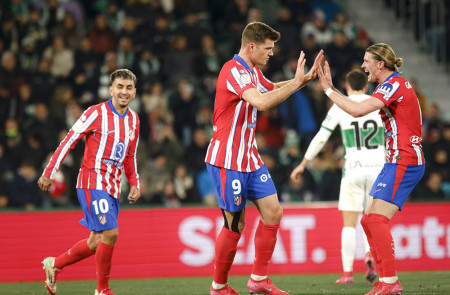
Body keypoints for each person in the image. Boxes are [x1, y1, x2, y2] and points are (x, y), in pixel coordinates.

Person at [204, 21, 323, 295]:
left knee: (273, 212)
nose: (272, 53)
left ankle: (258, 279)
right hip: (227, 159)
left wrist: (300, 82)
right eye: (268, 49)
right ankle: (218, 286)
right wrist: (294, 84)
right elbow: (261, 102)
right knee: (235, 225)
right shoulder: (233, 70)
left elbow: (270, 88)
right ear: (252, 46)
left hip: (249, 157)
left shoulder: (252, 72)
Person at [317, 43, 425, 295]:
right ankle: (384, 279)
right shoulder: (391, 85)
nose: (363, 65)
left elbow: (356, 110)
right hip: (396, 160)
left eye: (367, 61)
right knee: (367, 219)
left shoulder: (393, 85)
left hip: (405, 160)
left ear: (380, 64)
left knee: (375, 219)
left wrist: (328, 90)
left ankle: (389, 282)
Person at [38, 69, 141, 295]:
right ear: (111, 89)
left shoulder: (134, 119)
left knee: (96, 242)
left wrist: (134, 183)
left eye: (128, 88)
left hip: (113, 187)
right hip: (91, 181)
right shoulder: (96, 113)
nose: (124, 92)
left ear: (134, 92)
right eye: (120, 87)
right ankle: (102, 290)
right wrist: (49, 171)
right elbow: (69, 140)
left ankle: (54, 265)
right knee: (111, 233)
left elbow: (130, 155)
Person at [290, 69, 385, 285]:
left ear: (347, 87)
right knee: (375, 222)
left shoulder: (341, 105)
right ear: (366, 86)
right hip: (378, 170)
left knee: (349, 224)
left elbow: (321, 137)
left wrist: (303, 164)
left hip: (353, 170)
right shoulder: (378, 103)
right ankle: (372, 255)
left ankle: (347, 273)